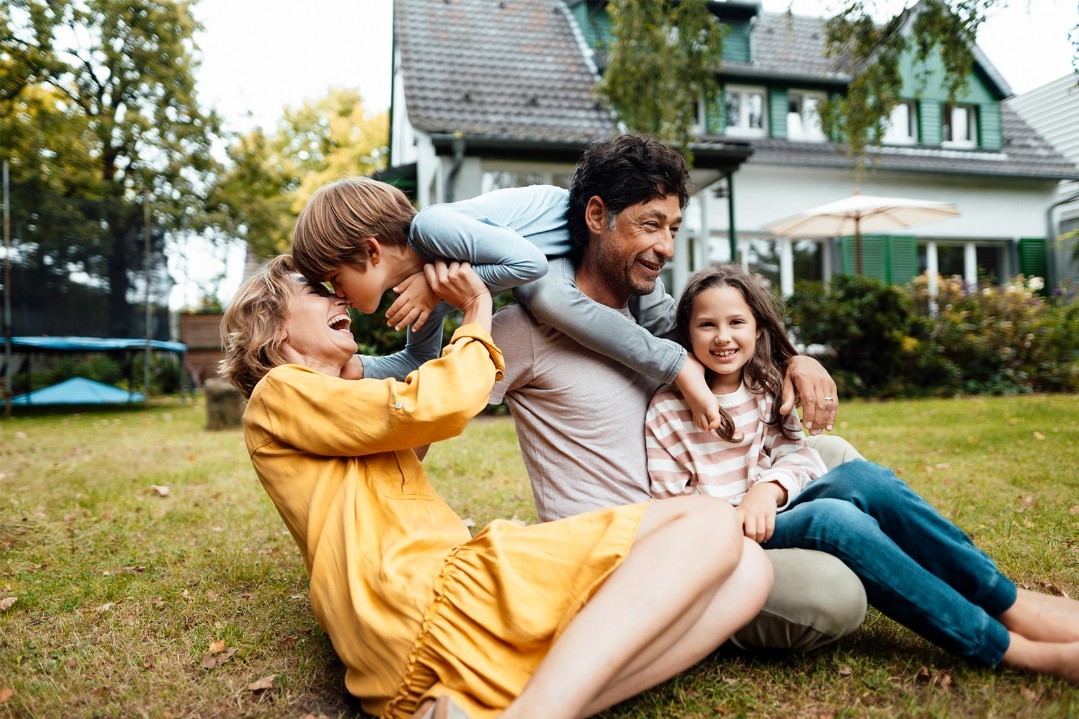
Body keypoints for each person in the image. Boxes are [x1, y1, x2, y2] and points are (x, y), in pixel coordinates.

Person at [219, 254, 775, 719]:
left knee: (752, 571)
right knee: (709, 519)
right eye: (317, 292)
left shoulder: (336, 406)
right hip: (431, 599)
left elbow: (410, 423)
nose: (340, 300)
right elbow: (433, 404)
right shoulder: (279, 393)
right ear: (274, 326)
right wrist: (477, 308)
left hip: (419, 657)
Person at [490, 133, 868, 652]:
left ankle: (919, 565)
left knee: (836, 456)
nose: (666, 248)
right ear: (597, 216)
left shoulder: (653, 321)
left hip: (706, 494)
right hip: (637, 557)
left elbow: (731, 336)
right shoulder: (524, 330)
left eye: (672, 229)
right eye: (650, 225)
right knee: (837, 595)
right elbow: (430, 406)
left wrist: (795, 358)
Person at [645, 263, 1079, 683]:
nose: (723, 337)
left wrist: (768, 488)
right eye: (707, 325)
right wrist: (741, 511)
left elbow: (799, 456)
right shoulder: (667, 410)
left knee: (865, 479)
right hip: (732, 537)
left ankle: (1008, 602)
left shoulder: (765, 386)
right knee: (834, 520)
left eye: (736, 322)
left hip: (772, 508)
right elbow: (676, 512)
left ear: (758, 330)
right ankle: (1008, 648)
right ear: (686, 333)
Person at [289, 177, 725, 428]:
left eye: (334, 279)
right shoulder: (434, 283)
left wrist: (441, 286)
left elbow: (529, 261)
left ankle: (682, 363)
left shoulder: (432, 227)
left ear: (371, 251)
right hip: (554, 262)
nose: (335, 294)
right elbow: (418, 364)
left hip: (567, 238)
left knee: (661, 321)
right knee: (546, 296)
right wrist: (357, 368)